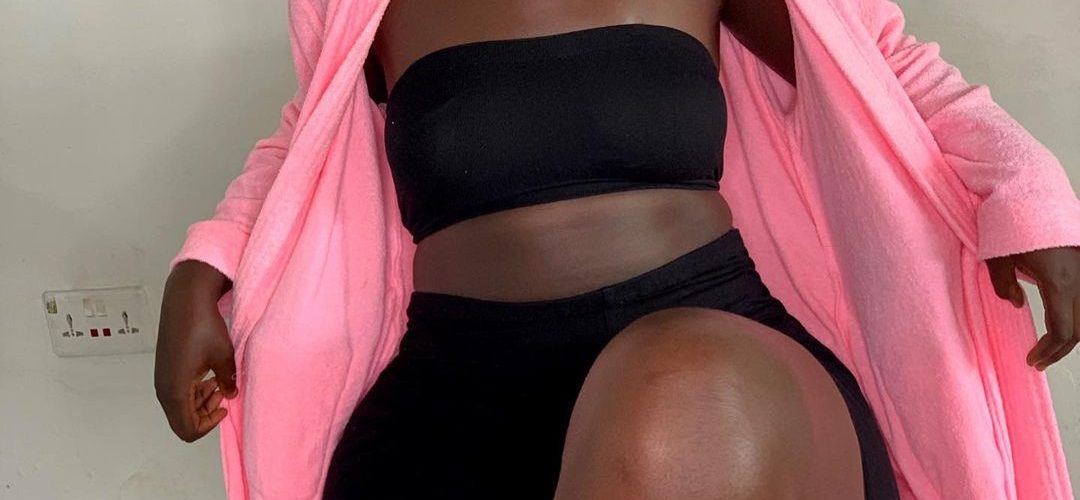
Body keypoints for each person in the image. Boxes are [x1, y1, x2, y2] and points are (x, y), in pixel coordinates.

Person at [154, 1, 1080, 499]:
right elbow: (313, 134)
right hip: (453, 391)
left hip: (714, 349)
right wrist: (207, 265)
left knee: (683, 390)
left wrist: (1029, 194)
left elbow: (886, 67)